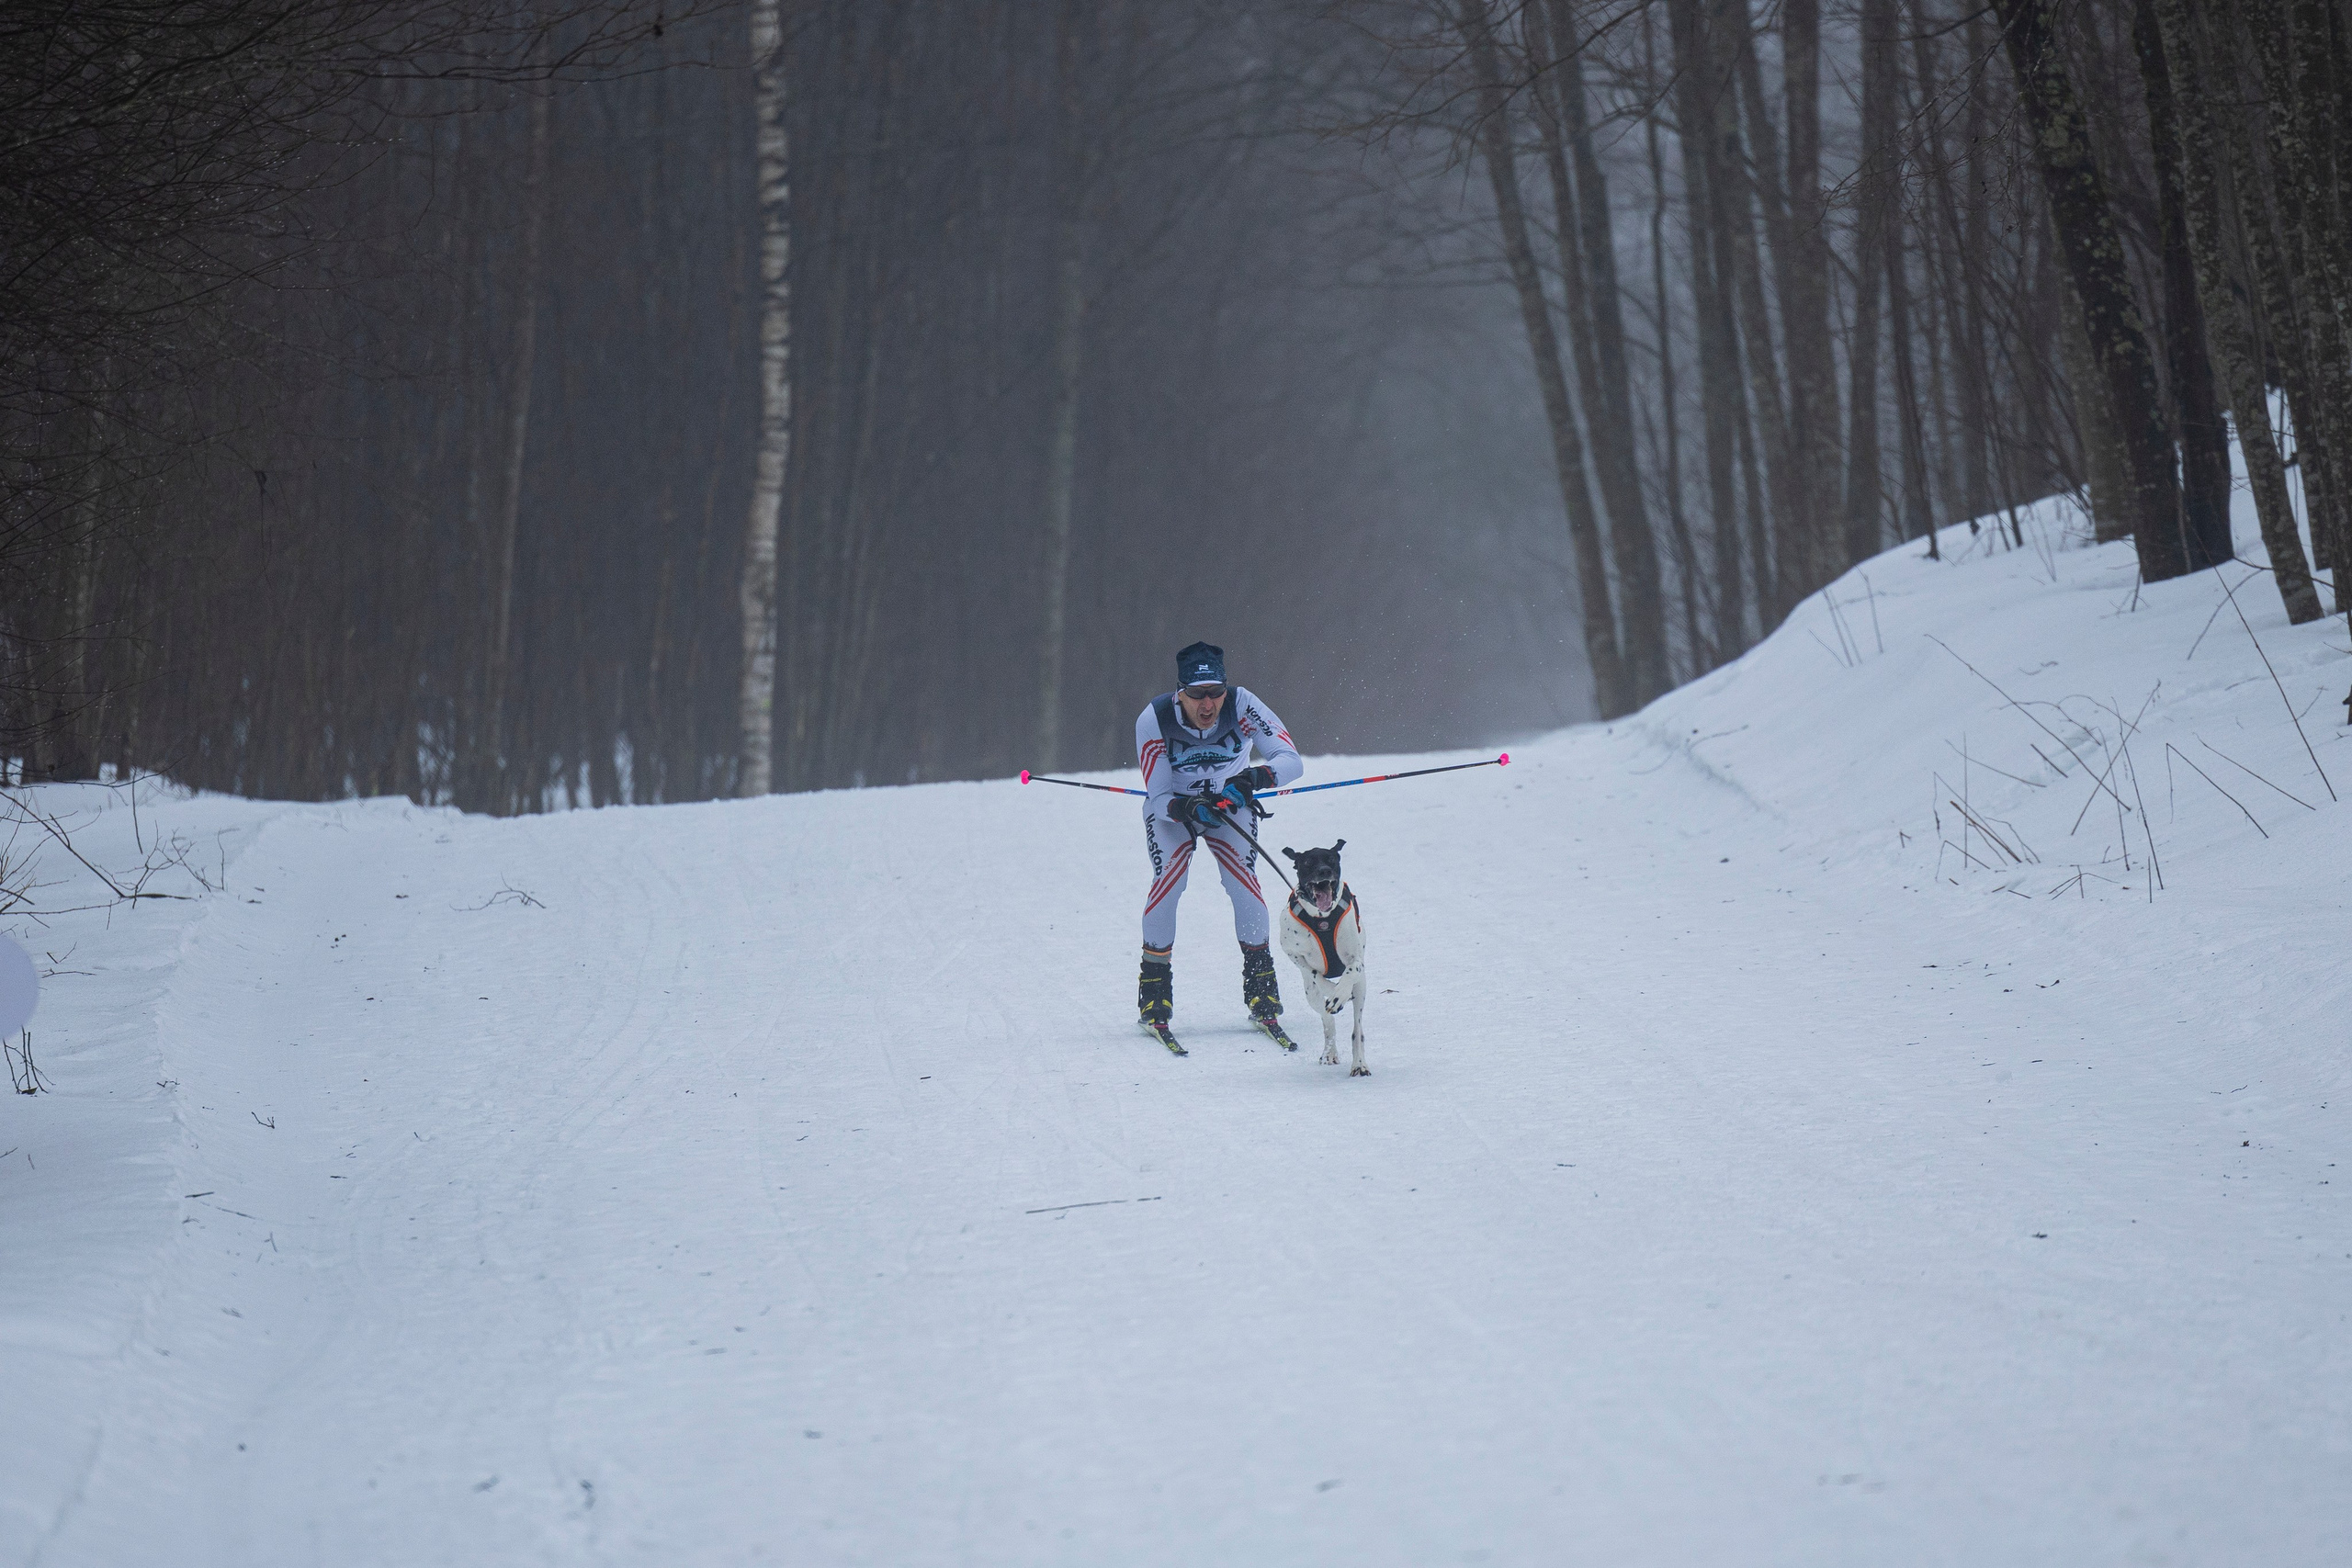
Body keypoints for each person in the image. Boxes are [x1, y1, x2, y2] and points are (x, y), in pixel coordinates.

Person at [1136, 641, 1304, 1039]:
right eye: (1197, 694)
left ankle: (1262, 991)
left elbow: (1291, 761)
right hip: (1176, 811)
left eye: (1215, 692)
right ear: (1180, 693)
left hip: (1231, 805)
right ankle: (1154, 994)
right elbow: (1159, 799)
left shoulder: (1243, 705)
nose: (1208, 704)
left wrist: (1254, 778)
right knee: (1170, 880)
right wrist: (1187, 808)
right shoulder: (1155, 718)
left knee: (1243, 882)